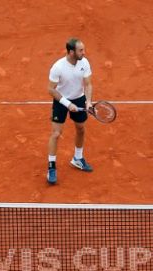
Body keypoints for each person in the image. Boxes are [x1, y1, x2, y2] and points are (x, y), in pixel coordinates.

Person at [46, 37, 94, 185]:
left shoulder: (84, 62)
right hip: (61, 100)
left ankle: (77, 158)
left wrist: (88, 101)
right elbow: (50, 89)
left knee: (81, 129)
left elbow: (88, 84)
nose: (84, 53)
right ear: (71, 52)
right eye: (81, 50)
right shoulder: (58, 67)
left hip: (78, 98)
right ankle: (51, 167)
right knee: (56, 134)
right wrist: (67, 104)